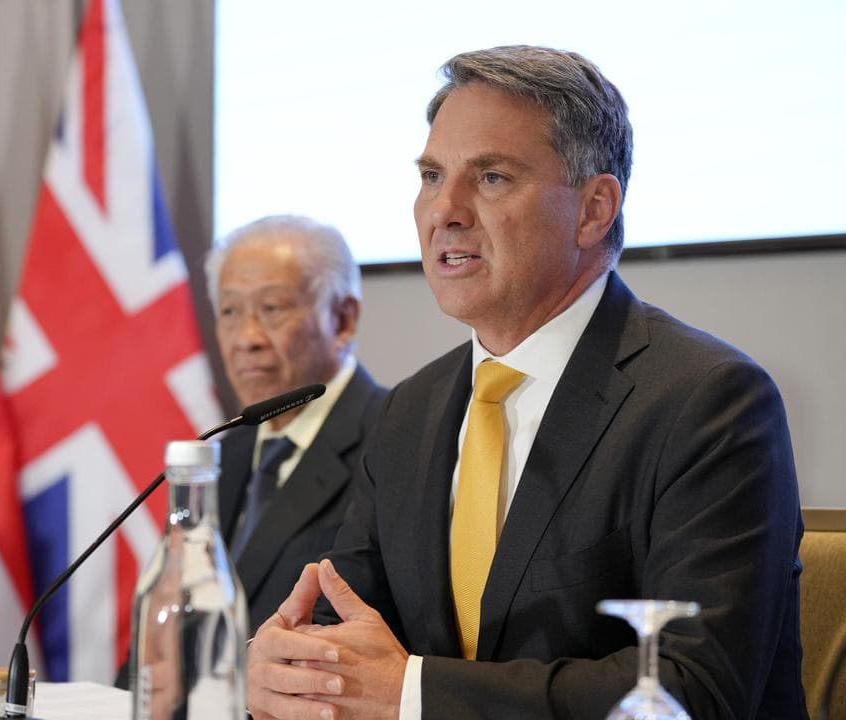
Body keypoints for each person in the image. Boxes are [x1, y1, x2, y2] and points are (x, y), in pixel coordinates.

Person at [246, 46, 804, 720]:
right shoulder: (409, 412)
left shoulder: (709, 402)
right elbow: (345, 623)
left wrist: (412, 694)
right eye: (431, 175)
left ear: (594, 209)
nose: (444, 210)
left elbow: (693, 690)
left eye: (491, 177)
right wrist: (289, 664)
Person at [206, 215, 387, 634]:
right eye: (230, 311)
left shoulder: (395, 439)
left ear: (343, 320)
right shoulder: (223, 453)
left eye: (271, 308)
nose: (246, 339)